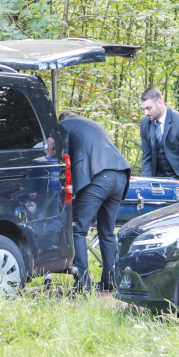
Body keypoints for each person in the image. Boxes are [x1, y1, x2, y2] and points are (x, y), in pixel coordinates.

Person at [59, 111, 131, 292]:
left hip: (99, 177)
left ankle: (83, 285)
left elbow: (60, 157)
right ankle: (111, 282)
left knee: (78, 230)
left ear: (62, 120)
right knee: (107, 232)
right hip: (121, 175)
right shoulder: (92, 124)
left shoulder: (64, 126)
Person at [139, 87, 179, 195]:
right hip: (159, 177)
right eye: (144, 109)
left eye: (149, 108)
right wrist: (146, 185)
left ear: (160, 102)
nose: (146, 112)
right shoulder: (145, 123)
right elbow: (147, 158)